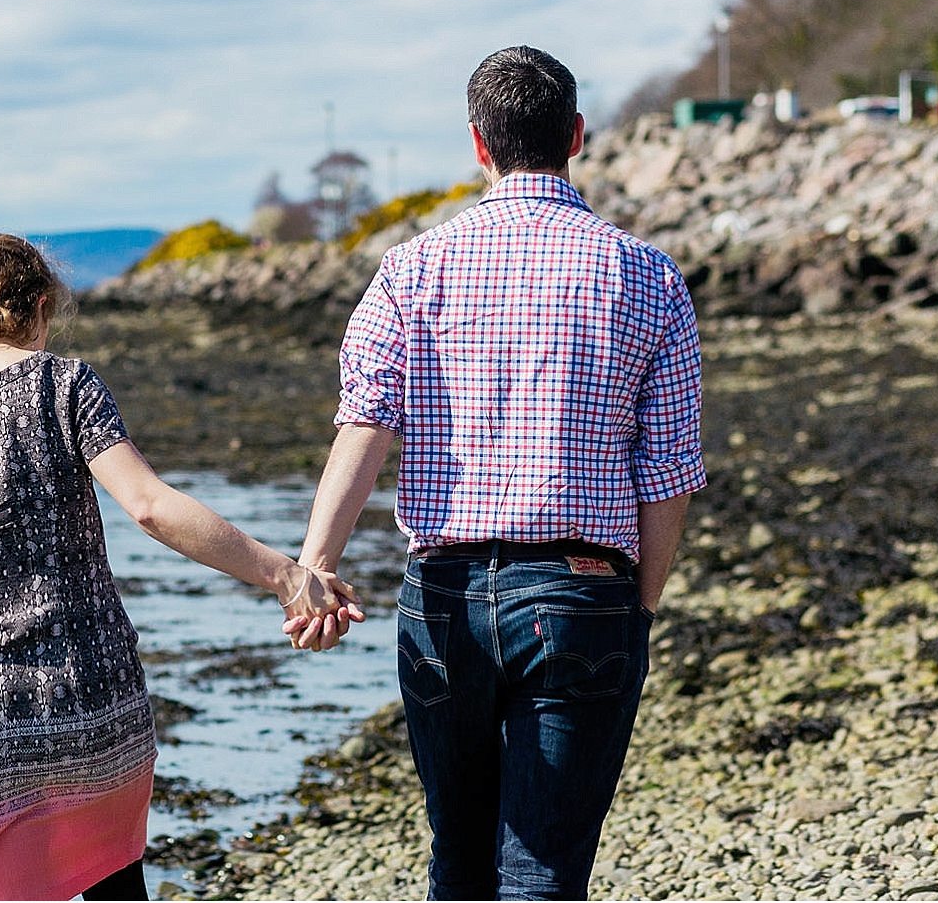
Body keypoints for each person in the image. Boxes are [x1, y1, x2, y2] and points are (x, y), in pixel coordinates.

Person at [285, 46, 707, 900]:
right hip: (584, 587)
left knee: (461, 861)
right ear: (578, 136)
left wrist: (315, 567)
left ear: (478, 144)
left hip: (441, 595)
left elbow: (364, 424)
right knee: (544, 872)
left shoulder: (412, 268)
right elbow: (667, 471)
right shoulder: (648, 274)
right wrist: (641, 607)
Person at [0, 233, 344, 901]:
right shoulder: (64, 383)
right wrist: (286, 576)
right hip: (94, 698)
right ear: (39, 307)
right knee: (117, 890)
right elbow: (151, 506)